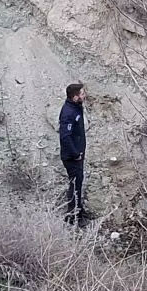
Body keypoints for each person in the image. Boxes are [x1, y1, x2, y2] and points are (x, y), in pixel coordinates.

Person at [58, 83, 89, 226]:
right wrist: (75, 153)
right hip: (72, 157)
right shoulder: (68, 112)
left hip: (77, 154)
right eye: (82, 94)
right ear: (75, 96)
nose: (84, 95)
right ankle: (73, 216)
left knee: (77, 183)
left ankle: (78, 211)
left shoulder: (76, 107)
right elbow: (65, 136)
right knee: (75, 185)